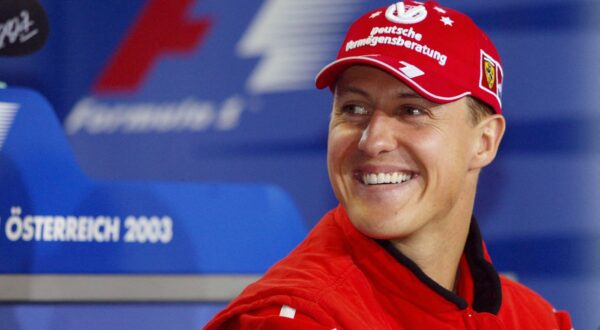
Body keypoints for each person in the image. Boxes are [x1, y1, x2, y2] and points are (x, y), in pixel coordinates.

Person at [205, 1, 573, 329]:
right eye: (354, 109)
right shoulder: (297, 319)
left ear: (484, 142)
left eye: (411, 111)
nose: (373, 139)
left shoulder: (533, 319)